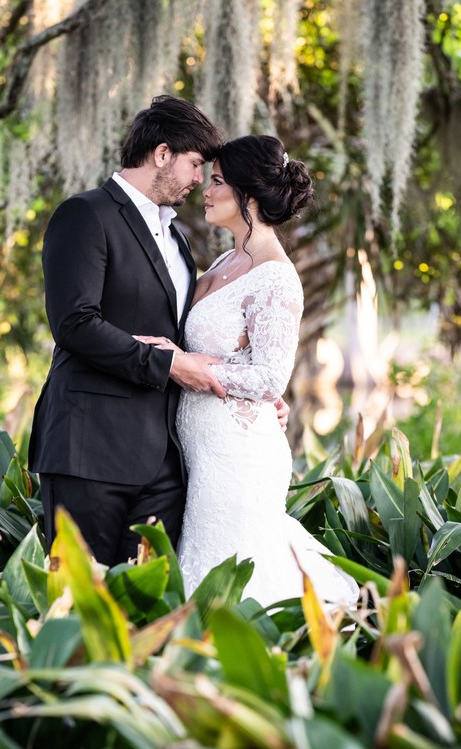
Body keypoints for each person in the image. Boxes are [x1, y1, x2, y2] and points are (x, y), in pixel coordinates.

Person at [29, 95, 290, 566]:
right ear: (163, 153)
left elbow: (188, 336)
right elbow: (75, 324)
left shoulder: (177, 240)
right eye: (196, 165)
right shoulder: (85, 215)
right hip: (90, 450)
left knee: (152, 619)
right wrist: (174, 364)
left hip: (169, 462)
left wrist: (251, 383)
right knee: (84, 611)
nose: (199, 181)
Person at [136, 134, 359, 608]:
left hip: (238, 456)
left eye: (216, 181)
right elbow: (235, 358)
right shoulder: (226, 260)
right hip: (201, 450)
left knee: (231, 580)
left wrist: (185, 365)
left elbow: (270, 378)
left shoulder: (276, 277)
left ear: (249, 197)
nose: (205, 190)